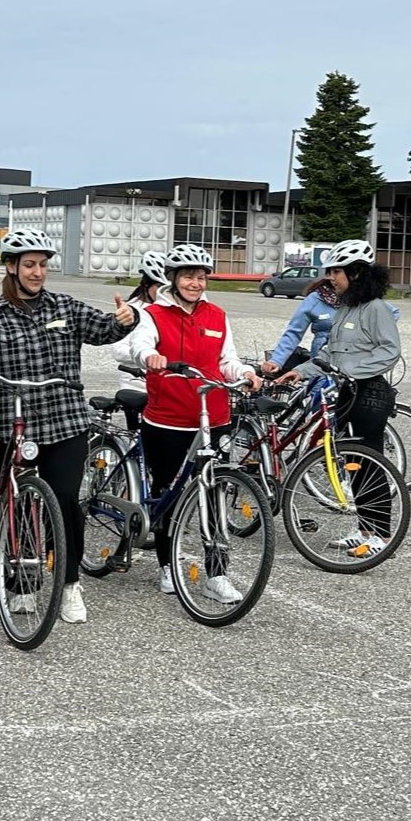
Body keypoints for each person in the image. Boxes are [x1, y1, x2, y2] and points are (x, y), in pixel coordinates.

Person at [0, 228, 136, 625]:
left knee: (66, 499)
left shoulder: (64, 307)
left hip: (64, 418)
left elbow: (102, 329)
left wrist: (125, 319)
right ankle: (20, 581)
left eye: (43, 265)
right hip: (10, 422)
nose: (38, 272)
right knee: (17, 501)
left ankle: (69, 584)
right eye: (30, 265)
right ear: (11, 267)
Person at [128, 242, 261, 600]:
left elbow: (226, 360)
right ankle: (168, 566)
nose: (195, 283)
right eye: (188, 275)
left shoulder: (216, 315)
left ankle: (217, 573)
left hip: (213, 417)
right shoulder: (153, 313)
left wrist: (245, 373)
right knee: (167, 495)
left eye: (201, 277)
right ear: (173, 278)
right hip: (168, 419)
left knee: (214, 494)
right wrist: (150, 357)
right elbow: (140, 346)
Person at [276, 239, 401, 557]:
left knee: (369, 465)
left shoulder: (376, 309)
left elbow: (389, 350)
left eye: (337, 271)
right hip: (346, 392)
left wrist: (350, 370)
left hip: (370, 393)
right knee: (353, 464)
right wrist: (300, 372)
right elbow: (329, 353)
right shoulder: (346, 307)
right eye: (330, 270)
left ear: (357, 273)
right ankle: (364, 529)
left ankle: (381, 536)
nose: (331, 276)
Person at [260, 274, 401, 376]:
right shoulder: (315, 299)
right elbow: (294, 332)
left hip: (352, 360)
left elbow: (392, 313)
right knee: (321, 403)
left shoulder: (362, 300)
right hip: (323, 360)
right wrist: (277, 361)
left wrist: (365, 335)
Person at [108, 250, 168, 430]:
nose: (163, 293)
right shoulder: (132, 310)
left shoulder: (169, 311)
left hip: (165, 386)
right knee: (139, 440)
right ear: (147, 284)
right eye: (159, 287)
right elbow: (118, 350)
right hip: (136, 385)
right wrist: (147, 356)